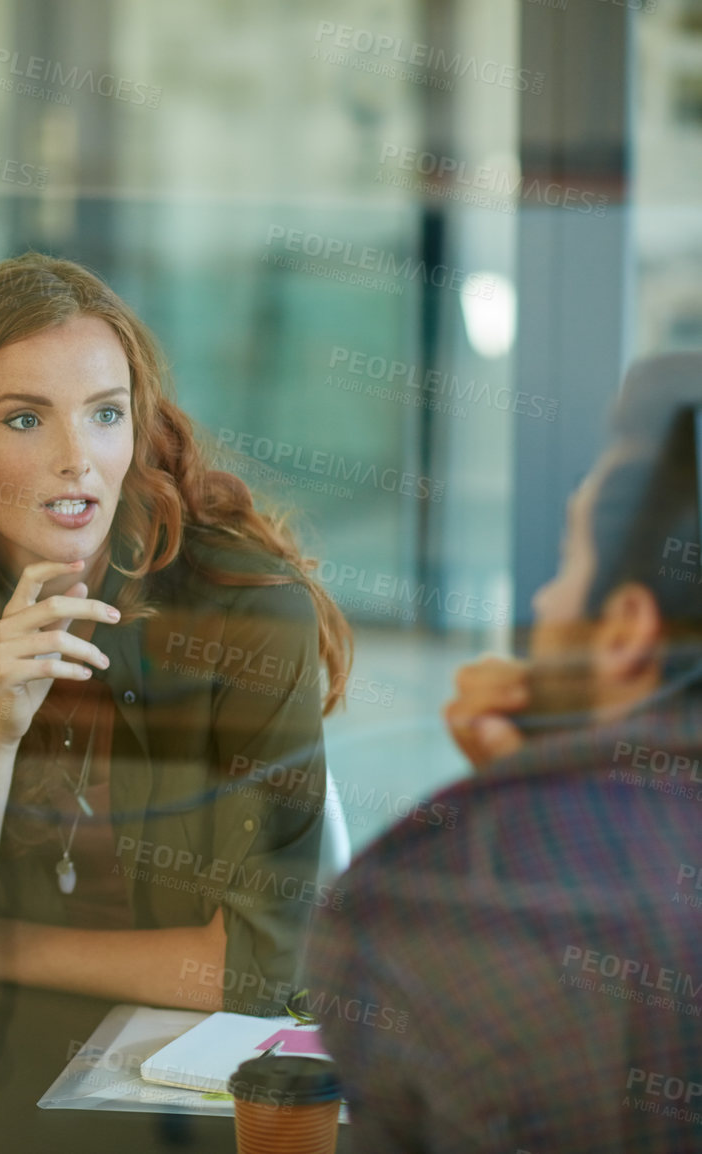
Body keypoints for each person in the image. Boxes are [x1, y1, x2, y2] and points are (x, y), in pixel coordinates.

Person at [0, 253, 353, 1013]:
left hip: (178, 1086)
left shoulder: (244, 608)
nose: (76, 461)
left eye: (105, 414)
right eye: (24, 418)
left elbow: (256, 971)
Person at [303, 353, 702, 1151]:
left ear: (625, 632)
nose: (543, 606)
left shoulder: (419, 904)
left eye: (566, 564)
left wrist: (516, 821)